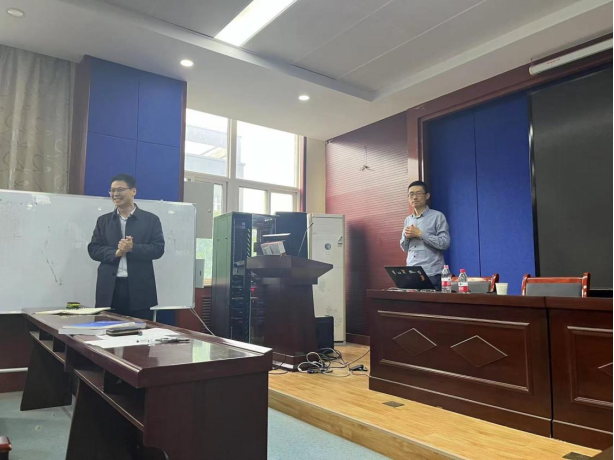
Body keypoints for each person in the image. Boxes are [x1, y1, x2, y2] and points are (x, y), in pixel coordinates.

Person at [88, 174, 165, 320]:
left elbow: (158, 249)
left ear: (133, 191)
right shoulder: (103, 221)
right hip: (109, 289)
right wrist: (116, 252)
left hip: (139, 290)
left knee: (139, 332)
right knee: (106, 330)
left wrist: (132, 248)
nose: (115, 194)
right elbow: (93, 249)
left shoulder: (151, 220)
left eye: (120, 189)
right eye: (112, 190)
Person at [400, 181, 450, 290]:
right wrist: (406, 237)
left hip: (432, 273)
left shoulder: (437, 216)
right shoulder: (407, 220)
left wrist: (420, 234)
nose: (414, 197)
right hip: (412, 273)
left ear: (427, 196)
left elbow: (445, 243)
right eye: (411, 194)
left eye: (418, 193)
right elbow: (405, 248)